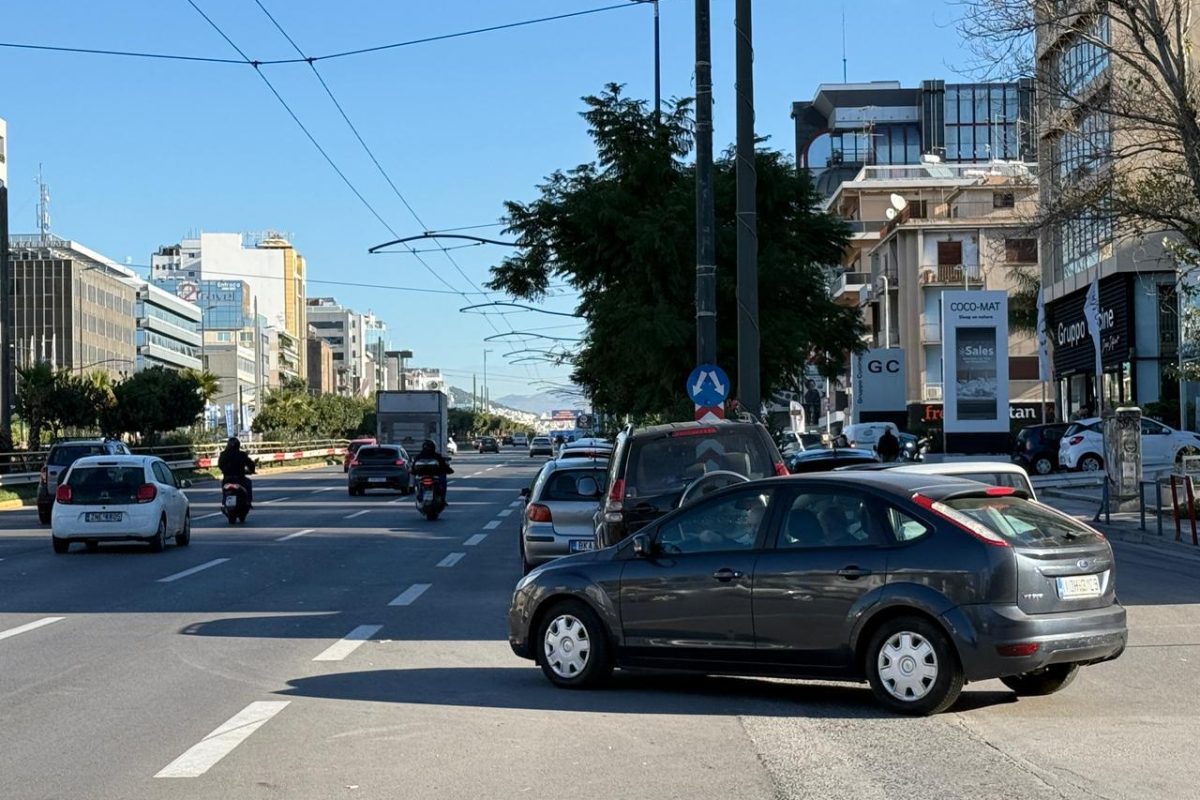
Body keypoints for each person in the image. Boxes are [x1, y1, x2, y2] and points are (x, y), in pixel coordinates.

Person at [218, 437, 256, 507]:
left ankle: (224, 500)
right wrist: (252, 470)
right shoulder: (242, 454)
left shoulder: (223, 454)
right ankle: (248, 501)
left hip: (227, 478)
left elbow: (220, 465)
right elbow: (250, 464)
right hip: (239, 478)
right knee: (248, 483)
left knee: (224, 485)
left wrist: (224, 470)